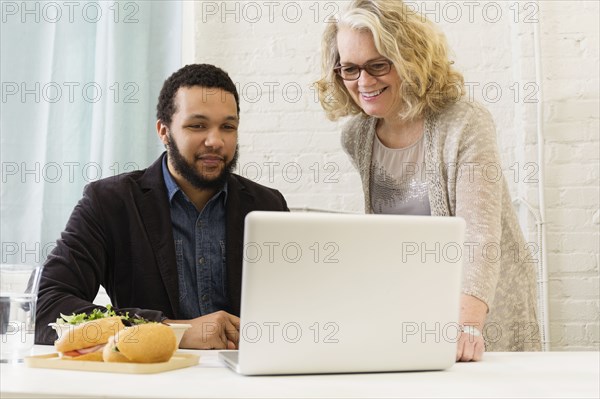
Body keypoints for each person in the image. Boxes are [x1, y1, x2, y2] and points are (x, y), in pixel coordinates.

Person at [316, 0, 541, 361]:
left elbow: (479, 237)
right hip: (413, 308)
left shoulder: (464, 123)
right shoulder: (357, 136)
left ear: (409, 58)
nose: (364, 81)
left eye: (378, 65)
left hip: (482, 306)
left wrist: (466, 324)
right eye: (350, 69)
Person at [35, 64, 289, 349]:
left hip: (249, 381)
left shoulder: (268, 205)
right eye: (197, 125)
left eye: (227, 127)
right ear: (164, 131)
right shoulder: (110, 202)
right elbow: (46, 307)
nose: (216, 141)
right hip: (151, 378)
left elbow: (299, 305)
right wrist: (171, 331)